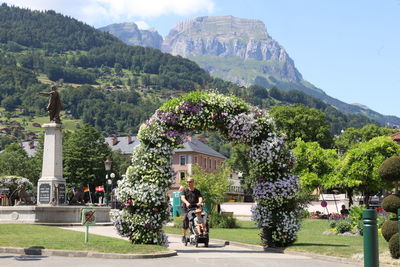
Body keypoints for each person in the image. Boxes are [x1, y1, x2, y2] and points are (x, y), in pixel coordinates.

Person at [181, 177, 203, 242]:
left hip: (195, 208)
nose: (188, 183)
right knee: (185, 220)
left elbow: (200, 198)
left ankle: (200, 233)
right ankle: (184, 236)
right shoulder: (185, 191)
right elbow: (182, 198)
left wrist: (199, 202)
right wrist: (187, 202)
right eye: (187, 182)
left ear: (193, 182)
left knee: (200, 219)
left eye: (190, 182)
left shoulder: (197, 191)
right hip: (187, 209)